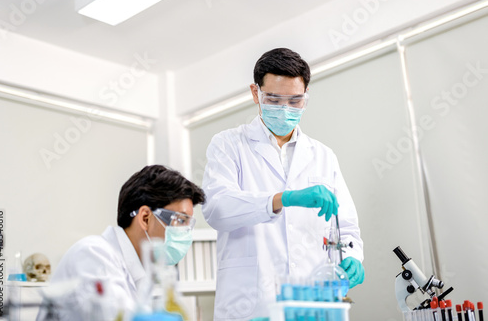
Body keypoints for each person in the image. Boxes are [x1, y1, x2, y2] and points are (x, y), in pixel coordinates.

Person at [202, 48, 364, 320]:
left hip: (313, 303)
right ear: (256, 93)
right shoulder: (228, 144)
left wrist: (353, 257)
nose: (285, 109)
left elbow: (345, 225)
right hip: (252, 305)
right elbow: (217, 209)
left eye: (295, 100)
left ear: (306, 96)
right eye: (274, 99)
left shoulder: (323, 155)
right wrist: (282, 199)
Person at [37, 165, 205, 321]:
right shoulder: (94, 254)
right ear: (145, 217)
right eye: (181, 220)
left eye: (189, 224)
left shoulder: (139, 275)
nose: (186, 233)